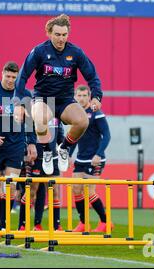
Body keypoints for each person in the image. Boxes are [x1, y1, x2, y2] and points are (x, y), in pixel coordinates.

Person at [13, 14, 103, 176]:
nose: (61, 39)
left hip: (65, 100)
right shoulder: (40, 51)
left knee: (83, 121)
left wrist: (96, 96)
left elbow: (92, 76)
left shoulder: (75, 52)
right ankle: (48, 151)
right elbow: (23, 75)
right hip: (43, 98)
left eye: (64, 35)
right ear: (49, 33)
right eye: (57, 35)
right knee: (39, 118)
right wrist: (19, 103)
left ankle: (64, 148)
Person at [0, 61, 37, 230]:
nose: (10, 80)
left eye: (14, 77)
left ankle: (4, 224)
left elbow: (30, 120)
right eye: (8, 76)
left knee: (9, 186)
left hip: (15, 146)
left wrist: (31, 142)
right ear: (2, 74)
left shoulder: (24, 93)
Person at [69, 85, 112, 233]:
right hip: (81, 159)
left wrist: (99, 154)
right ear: (75, 97)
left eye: (84, 96)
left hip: (95, 159)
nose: (81, 98)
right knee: (76, 189)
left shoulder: (96, 113)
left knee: (89, 191)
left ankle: (106, 221)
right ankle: (83, 223)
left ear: (89, 97)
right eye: (79, 96)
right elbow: (74, 137)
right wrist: (68, 154)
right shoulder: (75, 115)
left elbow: (107, 135)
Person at [18, 118, 65, 231]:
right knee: (31, 192)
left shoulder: (57, 116)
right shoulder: (34, 113)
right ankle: (22, 225)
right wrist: (27, 152)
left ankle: (56, 226)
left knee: (55, 192)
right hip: (37, 158)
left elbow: (60, 138)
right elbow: (26, 135)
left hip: (52, 158)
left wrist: (64, 152)